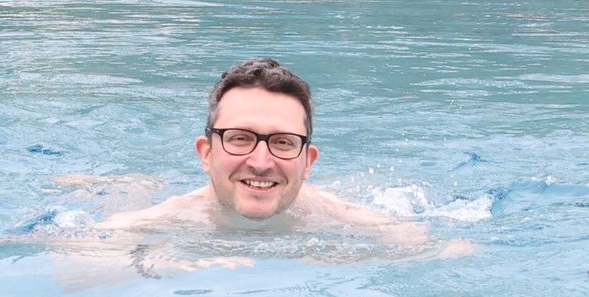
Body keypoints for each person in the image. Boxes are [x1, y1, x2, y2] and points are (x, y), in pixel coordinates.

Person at [59, 58, 436, 271]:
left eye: (283, 143)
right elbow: (69, 267)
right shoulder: (163, 221)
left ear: (308, 162)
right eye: (240, 138)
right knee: (130, 194)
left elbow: (441, 252)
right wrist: (164, 263)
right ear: (206, 153)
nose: (260, 162)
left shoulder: (346, 220)